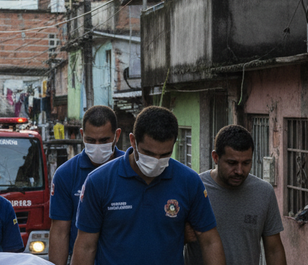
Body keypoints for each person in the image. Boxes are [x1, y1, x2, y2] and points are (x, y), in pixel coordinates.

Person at [71, 106, 226, 265]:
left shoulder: (189, 181)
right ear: (133, 141)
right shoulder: (99, 182)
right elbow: (85, 246)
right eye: (149, 153)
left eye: (164, 154)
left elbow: (209, 241)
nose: (156, 161)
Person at [184, 125, 287, 265]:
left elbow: (274, 249)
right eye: (232, 163)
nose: (239, 170)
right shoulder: (194, 189)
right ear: (216, 157)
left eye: (246, 163)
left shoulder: (264, 192)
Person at [48, 105, 124, 265]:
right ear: (82, 135)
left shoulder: (130, 169)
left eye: (104, 140)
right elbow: (60, 232)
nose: (97, 146)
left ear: (117, 135)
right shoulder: (66, 174)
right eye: (90, 140)